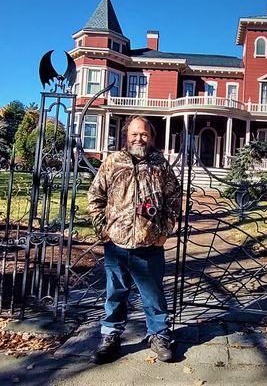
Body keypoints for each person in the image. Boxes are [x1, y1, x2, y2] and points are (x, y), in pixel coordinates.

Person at [87, 115, 181, 364]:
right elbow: (95, 198)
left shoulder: (160, 164)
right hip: (116, 242)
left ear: (150, 137)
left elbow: (174, 199)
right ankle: (110, 336)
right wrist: (103, 231)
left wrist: (164, 230)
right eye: (134, 134)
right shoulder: (112, 162)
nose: (139, 138)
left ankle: (159, 335)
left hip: (150, 243)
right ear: (126, 136)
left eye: (144, 135)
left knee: (153, 294)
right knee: (115, 293)